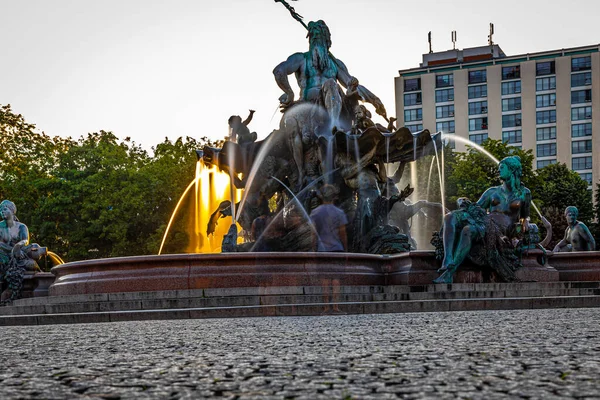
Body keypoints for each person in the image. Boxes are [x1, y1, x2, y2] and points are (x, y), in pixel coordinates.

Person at [434, 156, 532, 283]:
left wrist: (524, 228)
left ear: (512, 169)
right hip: (486, 221)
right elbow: (476, 208)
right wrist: (463, 202)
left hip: (502, 229)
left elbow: (525, 217)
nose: (499, 171)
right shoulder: (492, 192)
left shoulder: (525, 193)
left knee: (468, 230)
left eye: (502, 168)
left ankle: (449, 274)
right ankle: (448, 259)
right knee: (450, 217)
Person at [273, 20, 386, 127]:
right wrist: (289, 93)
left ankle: (333, 125)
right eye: (313, 37)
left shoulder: (336, 64)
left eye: (319, 37)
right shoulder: (301, 59)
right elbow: (279, 71)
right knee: (331, 83)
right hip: (308, 104)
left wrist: (375, 100)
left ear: (327, 41)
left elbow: (352, 85)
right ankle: (333, 126)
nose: (315, 40)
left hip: (336, 102)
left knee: (331, 84)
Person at [310, 185, 348, 314]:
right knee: (336, 278)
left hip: (322, 250)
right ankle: (336, 307)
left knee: (324, 279)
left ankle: (326, 307)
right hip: (337, 249)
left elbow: (313, 234)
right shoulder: (339, 212)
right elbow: (343, 233)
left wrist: (314, 248)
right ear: (334, 197)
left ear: (321, 197)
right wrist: (346, 249)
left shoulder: (315, 213)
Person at [0, 200, 40, 303]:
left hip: (19, 251)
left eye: (4, 209)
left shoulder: (21, 226)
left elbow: (25, 241)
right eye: (0, 210)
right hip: (4, 252)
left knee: (31, 249)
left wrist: (18, 245)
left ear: (12, 210)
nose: (2, 212)